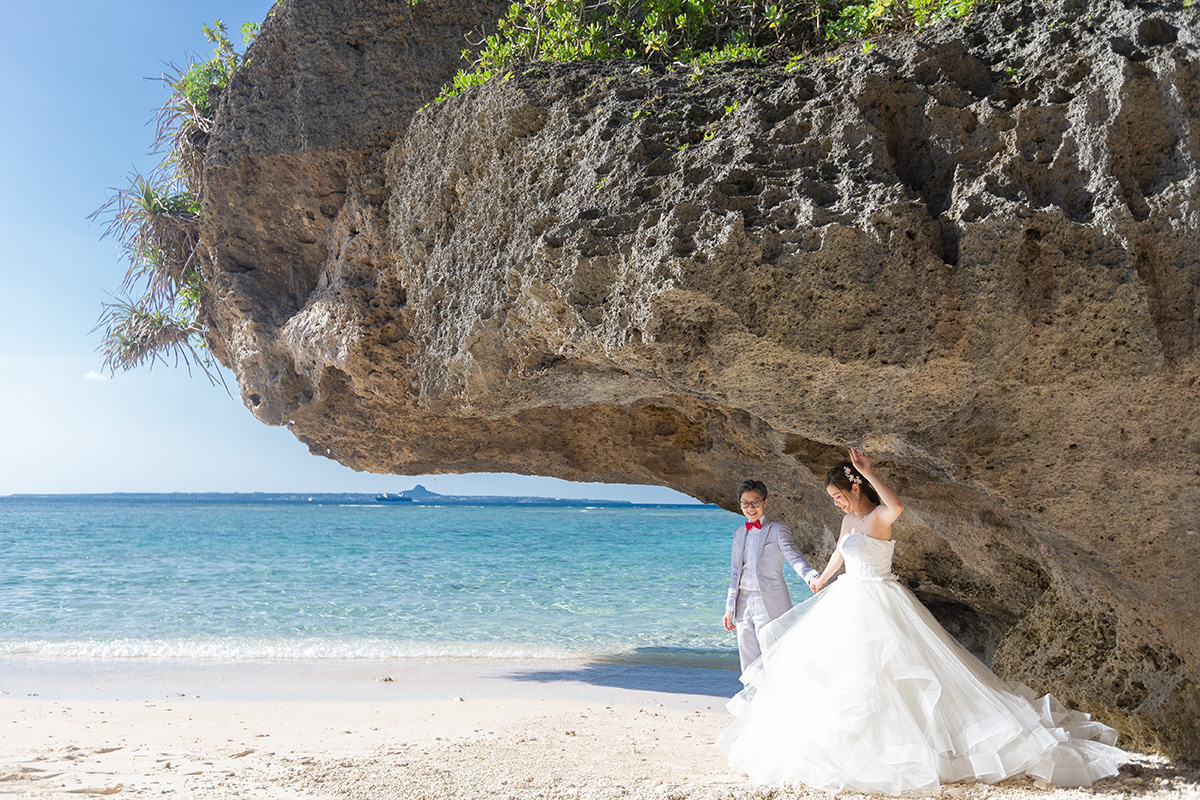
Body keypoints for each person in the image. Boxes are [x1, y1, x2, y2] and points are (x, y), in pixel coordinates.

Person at [716, 449, 1125, 796]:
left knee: (896, 675)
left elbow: (898, 507)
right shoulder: (847, 523)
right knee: (848, 679)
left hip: (882, 599)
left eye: (838, 495)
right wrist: (820, 579)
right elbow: (840, 555)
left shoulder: (880, 516)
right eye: (832, 497)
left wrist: (869, 471)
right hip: (847, 598)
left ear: (855, 488)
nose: (836, 503)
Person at [723, 479, 820, 671]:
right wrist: (729, 606)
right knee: (748, 660)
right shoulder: (738, 533)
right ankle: (752, 700)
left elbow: (793, 556)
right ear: (740, 505)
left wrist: (811, 576)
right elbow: (735, 572)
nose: (750, 508)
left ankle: (776, 699)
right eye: (745, 503)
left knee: (773, 657)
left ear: (765, 502)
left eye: (755, 502)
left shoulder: (777, 530)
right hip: (743, 603)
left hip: (769, 601)